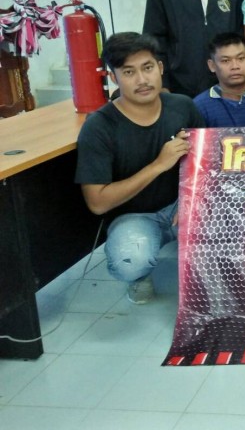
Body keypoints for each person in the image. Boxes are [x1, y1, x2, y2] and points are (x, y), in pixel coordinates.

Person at [75, 33, 204, 304]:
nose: (142, 80)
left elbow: (207, 163)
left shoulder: (182, 106)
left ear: (160, 67)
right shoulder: (99, 126)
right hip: (134, 216)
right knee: (131, 260)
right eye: (129, 72)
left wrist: (191, 201)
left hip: (181, 202)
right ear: (114, 78)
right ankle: (138, 277)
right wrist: (158, 165)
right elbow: (97, 203)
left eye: (147, 67)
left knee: (232, 222)